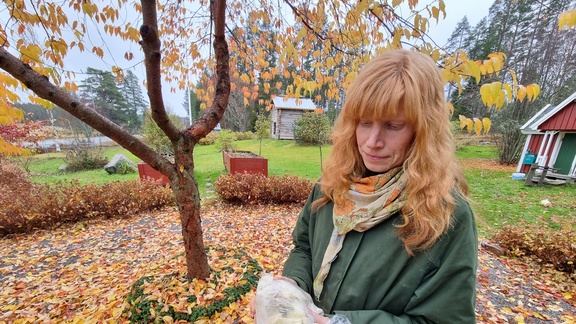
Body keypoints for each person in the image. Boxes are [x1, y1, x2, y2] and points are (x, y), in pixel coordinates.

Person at [253, 49, 478, 323]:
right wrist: (289, 293)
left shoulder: (445, 215)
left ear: (424, 131)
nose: (372, 141)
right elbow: (304, 248)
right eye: (365, 122)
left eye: (393, 126)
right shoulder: (332, 184)